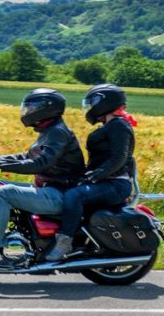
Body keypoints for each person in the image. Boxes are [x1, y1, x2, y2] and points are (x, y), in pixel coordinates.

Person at [0, 88, 85, 264]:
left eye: (33, 107)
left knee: (2, 193)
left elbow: (40, 163)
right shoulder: (49, 131)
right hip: (50, 189)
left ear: (47, 108)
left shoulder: (58, 132)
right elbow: (25, 157)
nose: (28, 111)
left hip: (60, 194)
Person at [45, 83, 136, 262]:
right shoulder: (110, 125)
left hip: (115, 183)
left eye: (93, 102)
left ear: (105, 102)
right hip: (105, 181)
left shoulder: (119, 126)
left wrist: (97, 174)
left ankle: (64, 243)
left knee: (74, 196)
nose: (90, 107)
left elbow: (120, 157)